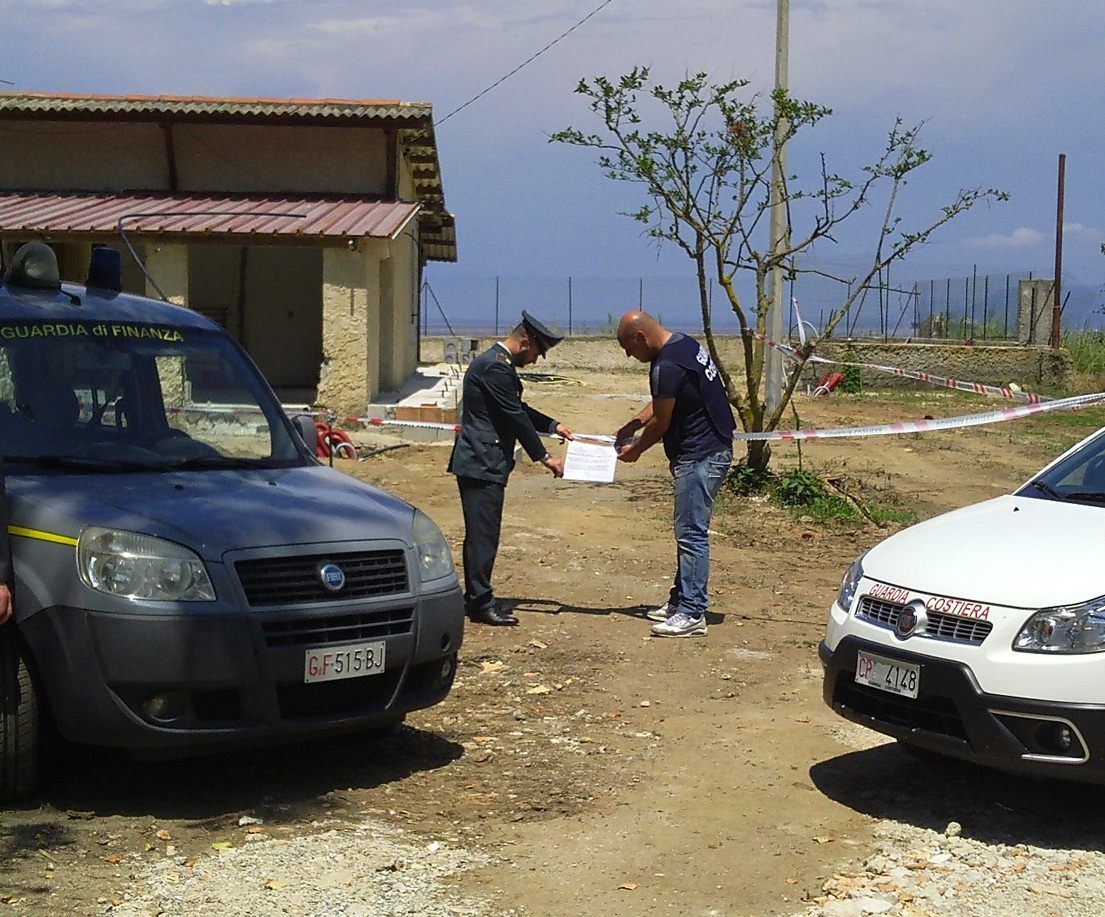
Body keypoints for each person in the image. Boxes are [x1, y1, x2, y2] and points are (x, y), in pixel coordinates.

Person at [613, 311, 735, 638]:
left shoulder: (666, 364)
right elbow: (663, 402)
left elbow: (662, 422)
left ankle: (693, 612)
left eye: (629, 348)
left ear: (641, 338)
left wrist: (636, 450)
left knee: (691, 533)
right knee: (687, 531)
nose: (629, 356)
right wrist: (633, 424)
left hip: (700, 456)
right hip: (711, 448)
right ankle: (680, 599)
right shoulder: (683, 345)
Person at [448, 312, 573, 626]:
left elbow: (518, 409)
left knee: (483, 535)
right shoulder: (495, 368)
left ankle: (477, 596)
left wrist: (553, 425)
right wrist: (546, 458)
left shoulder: (495, 364)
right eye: (537, 353)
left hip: (483, 460)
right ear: (525, 342)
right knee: (483, 536)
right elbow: (514, 416)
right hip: (481, 461)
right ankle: (479, 603)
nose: (535, 361)